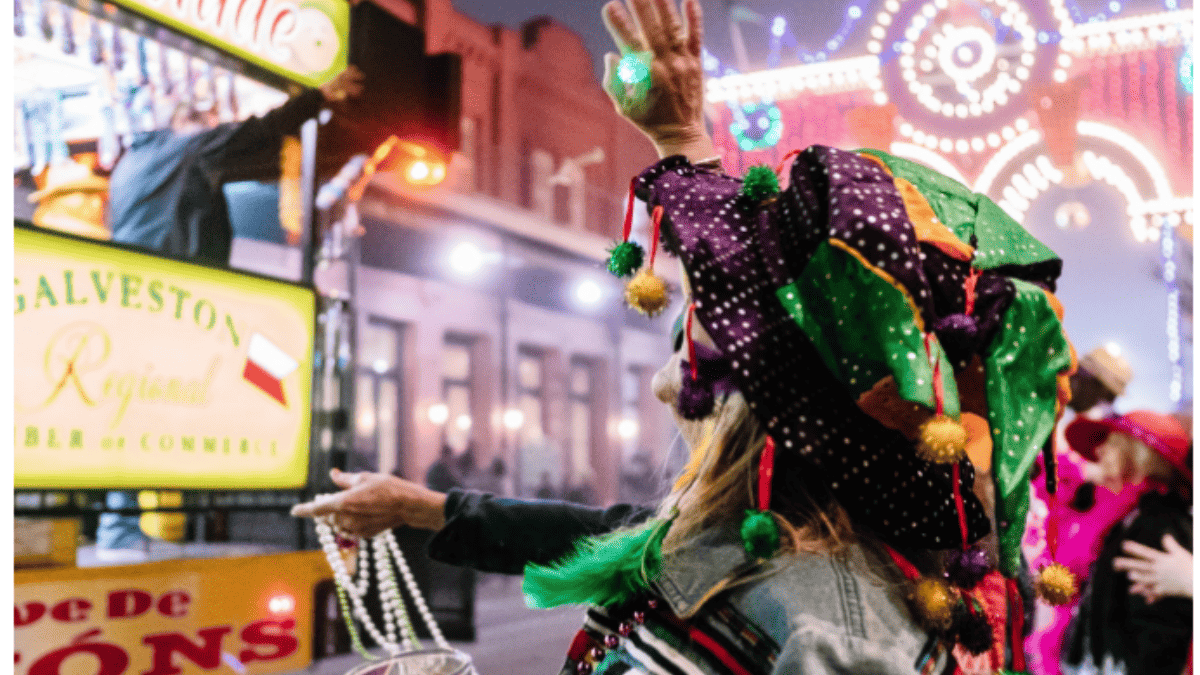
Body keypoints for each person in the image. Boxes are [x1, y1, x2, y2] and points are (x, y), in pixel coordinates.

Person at [294, 1, 1078, 671]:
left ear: (782, 414)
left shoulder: (802, 613)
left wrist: (683, 143)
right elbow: (605, 533)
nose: (669, 384)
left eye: (700, 360)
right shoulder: (775, 550)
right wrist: (417, 505)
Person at [107, 65, 364, 265]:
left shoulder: (130, 159)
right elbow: (264, 129)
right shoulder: (192, 148)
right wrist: (321, 94)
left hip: (128, 276)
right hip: (177, 277)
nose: (215, 130)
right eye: (212, 124)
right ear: (187, 120)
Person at [1023, 346, 1140, 675]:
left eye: (1105, 394)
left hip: (1057, 558)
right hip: (1026, 537)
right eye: (1101, 391)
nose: (1100, 402)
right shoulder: (1043, 408)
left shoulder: (1100, 441)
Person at [1060, 411, 1192, 675]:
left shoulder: (1160, 526)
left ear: (1137, 453)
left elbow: (1158, 634)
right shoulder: (1133, 515)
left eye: (1110, 442)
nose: (1099, 450)